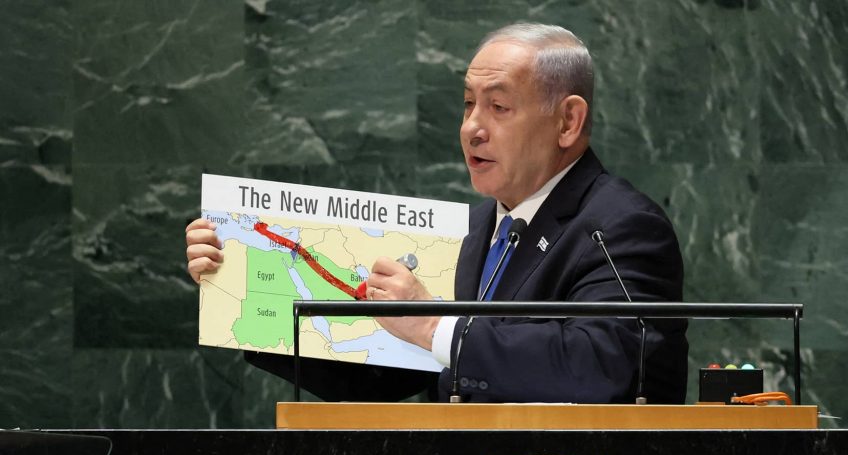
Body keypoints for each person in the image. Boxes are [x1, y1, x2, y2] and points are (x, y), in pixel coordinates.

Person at [185, 23, 688, 403]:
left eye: (498, 107)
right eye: (468, 105)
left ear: (568, 121)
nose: (472, 127)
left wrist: (433, 326)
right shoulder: (471, 232)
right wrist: (246, 298)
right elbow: (381, 373)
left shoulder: (620, 226)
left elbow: (604, 365)